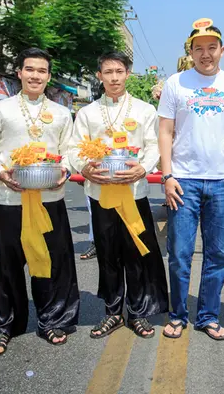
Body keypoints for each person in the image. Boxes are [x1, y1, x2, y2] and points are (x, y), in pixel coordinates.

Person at [0, 48, 78, 355]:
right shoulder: (0, 109)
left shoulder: (61, 113)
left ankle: (52, 319)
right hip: (10, 199)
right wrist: (1, 173)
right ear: (19, 72)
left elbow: (70, 150)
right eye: (29, 69)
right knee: (8, 264)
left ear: (48, 76)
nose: (35, 75)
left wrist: (66, 171)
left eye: (42, 71)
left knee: (51, 261)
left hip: (49, 198)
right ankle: (6, 324)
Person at [158, 18, 224, 340]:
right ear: (191, 51)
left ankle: (208, 315)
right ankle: (178, 315)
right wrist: (167, 175)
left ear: (222, 51)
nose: (206, 54)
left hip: (223, 181)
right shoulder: (175, 83)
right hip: (183, 181)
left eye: (212, 48)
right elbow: (165, 132)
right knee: (181, 253)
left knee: (219, 254)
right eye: (199, 48)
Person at [68, 51, 168, 339]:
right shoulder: (86, 113)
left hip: (134, 193)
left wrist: (144, 167)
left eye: (119, 71)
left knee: (137, 254)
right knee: (108, 256)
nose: (114, 77)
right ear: (99, 76)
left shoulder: (144, 110)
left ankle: (137, 313)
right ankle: (113, 312)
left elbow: (153, 146)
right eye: (108, 72)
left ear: (127, 74)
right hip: (101, 194)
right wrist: (84, 167)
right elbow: (75, 148)